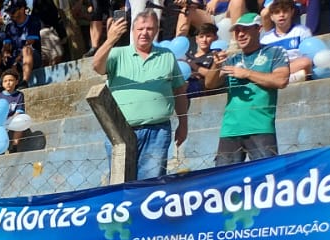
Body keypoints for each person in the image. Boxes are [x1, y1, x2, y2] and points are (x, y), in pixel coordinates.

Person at [92, 9, 189, 180]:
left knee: (150, 185)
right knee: (120, 183)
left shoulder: (167, 56)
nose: (144, 33)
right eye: (140, 29)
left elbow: (179, 92)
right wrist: (111, 39)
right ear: (133, 31)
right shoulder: (117, 54)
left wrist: (183, 124)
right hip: (120, 131)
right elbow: (97, 66)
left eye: (150, 29)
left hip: (157, 131)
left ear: (157, 30)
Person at [203, 13, 290, 166]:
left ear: (259, 29)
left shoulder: (275, 52)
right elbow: (210, 84)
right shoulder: (232, 59)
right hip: (230, 130)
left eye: (245, 29)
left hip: (261, 127)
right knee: (225, 181)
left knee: (266, 177)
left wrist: (247, 73)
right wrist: (216, 66)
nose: (240, 34)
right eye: (237, 31)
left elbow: (281, 80)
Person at [258, 0, 314, 79]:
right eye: (277, 12)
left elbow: (308, 59)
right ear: (271, 16)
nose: (281, 15)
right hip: (280, 70)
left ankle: (281, 79)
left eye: (285, 11)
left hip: (293, 67)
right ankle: (290, 78)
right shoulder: (265, 39)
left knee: (305, 62)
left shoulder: (302, 31)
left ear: (292, 12)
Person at [3, 0, 43, 85]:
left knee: (26, 49)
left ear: (22, 9)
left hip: (32, 56)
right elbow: (7, 45)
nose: (11, 14)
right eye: (9, 12)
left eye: (13, 11)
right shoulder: (9, 27)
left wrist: (16, 61)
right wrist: (5, 52)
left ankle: (24, 82)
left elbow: (30, 43)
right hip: (15, 58)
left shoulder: (33, 21)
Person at [184, 22, 222, 98]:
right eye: (201, 37)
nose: (204, 40)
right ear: (196, 39)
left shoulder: (216, 53)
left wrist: (194, 66)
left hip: (204, 93)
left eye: (208, 36)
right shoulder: (187, 56)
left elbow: (213, 76)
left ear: (215, 37)